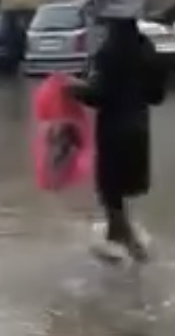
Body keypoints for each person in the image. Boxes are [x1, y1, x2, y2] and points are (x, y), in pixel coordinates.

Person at [68, 14, 166, 261]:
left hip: (114, 131)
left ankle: (131, 248)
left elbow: (99, 95)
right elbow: (158, 95)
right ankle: (119, 240)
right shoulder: (146, 48)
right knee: (119, 192)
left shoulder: (108, 52)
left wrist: (74, 88)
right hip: (139, 130)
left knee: (110, 191)